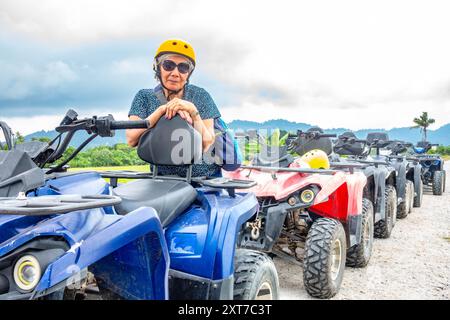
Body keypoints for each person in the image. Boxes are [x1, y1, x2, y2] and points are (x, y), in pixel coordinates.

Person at [126, 39, 223, 177]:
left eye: (183, 68)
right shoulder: (144, 96)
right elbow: (131, 139)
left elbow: (207, 142)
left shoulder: (200, 95)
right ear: (158, 67)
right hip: (161, 179)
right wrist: (161, 111)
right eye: (168, 65)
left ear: (189, 73)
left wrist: (193, 111)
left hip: (203, 178)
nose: (175, 73)